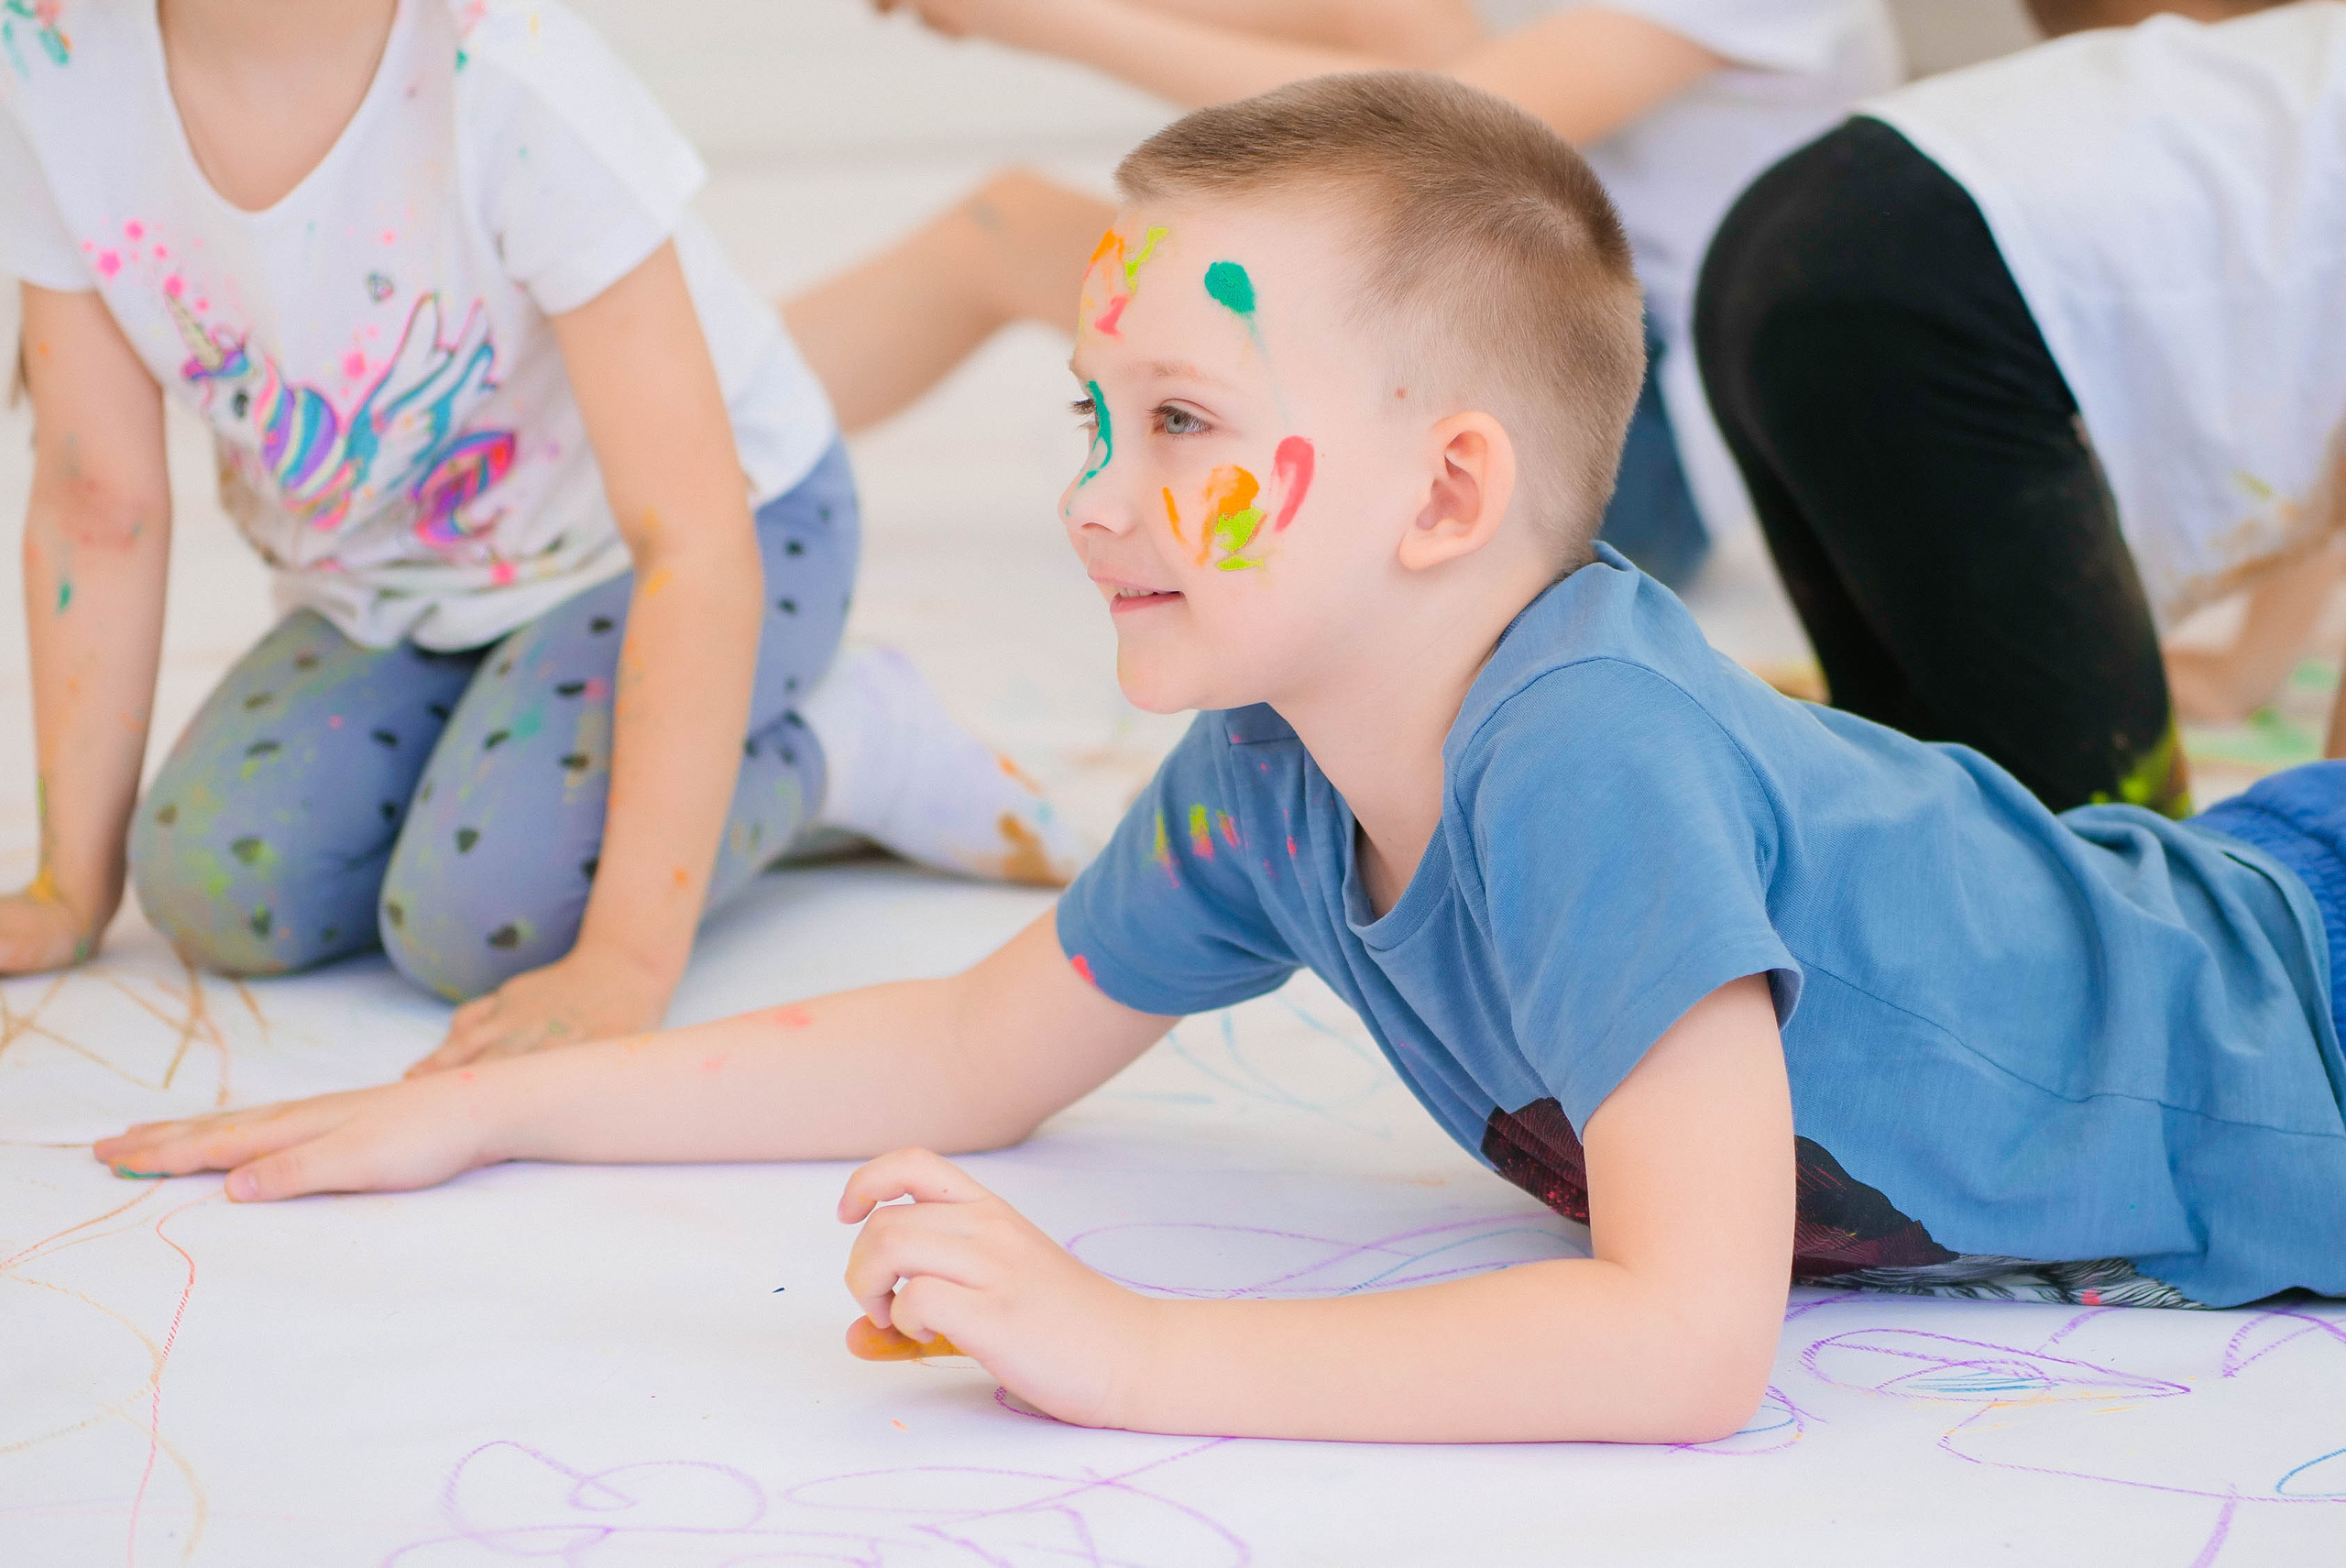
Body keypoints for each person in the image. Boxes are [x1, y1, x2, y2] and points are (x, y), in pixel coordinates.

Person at [95, 75, 2346, 1445]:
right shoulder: (1271, 770)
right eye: (1095, 420)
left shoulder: (1584, 751)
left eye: (1178, 426)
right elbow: (970, 1045)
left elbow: (1680, 1335)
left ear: (1443, 497)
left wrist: (1133, 1347)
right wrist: (485, 1103)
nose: (1093, 497)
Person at [0, 0, 1081, 1076]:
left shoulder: (514, 79)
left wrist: (624, 958)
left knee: (487, 920)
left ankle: (846, 742)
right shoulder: (56, 65)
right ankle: (501, 742)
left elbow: (693, 537)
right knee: (213, 885)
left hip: (707, 538)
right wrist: (68, 885)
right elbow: (100, 502)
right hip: (401, 587)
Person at [785, 0, 1901, 586]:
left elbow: (1453, 130)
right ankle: (666, 430)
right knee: (1401, 15)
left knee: (1010, 230)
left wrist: (1037, 14)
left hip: (1619, 443)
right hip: (1552, 333)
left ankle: (677, 438)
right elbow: (1384, 29)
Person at [1695, 0, 2339, 819]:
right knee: (2108, 869)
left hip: (1815, 224)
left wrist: (2251, 669)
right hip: (1919, 286)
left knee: (1934, 806)